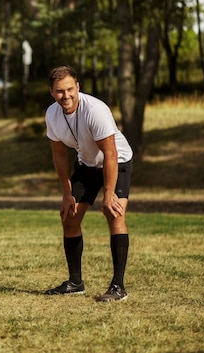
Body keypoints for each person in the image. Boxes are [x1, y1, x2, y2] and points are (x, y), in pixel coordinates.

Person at [44, 65, 133, 302]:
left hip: (118, 161)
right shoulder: (52, 114)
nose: (66, 96)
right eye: (60, 91)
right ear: (52, 92)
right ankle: (75, 282)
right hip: (87, 165)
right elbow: (60, 156)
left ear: (78, 87)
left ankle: (118, 287)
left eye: (70, 89)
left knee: (115, 214)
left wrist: (110, 193)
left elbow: (111, 154)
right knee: (69, 217)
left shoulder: (95, 110)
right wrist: (67, 194)